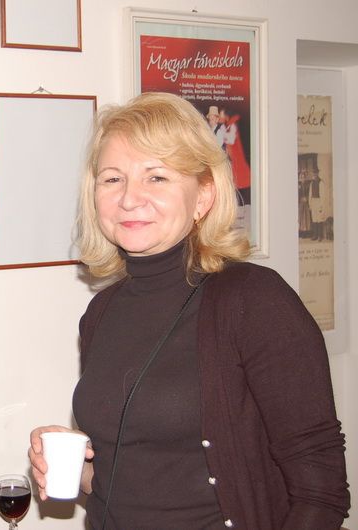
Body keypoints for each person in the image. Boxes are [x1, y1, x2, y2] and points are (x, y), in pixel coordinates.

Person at [28, 92, 349, 529]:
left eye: (157, 177)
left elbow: (321, 493)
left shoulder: (254, 300)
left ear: (203, 196)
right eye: (113, 179)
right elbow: (132, 481)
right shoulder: (101, 312)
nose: (129, 198)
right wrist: (71, 468)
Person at [219, 106, 251, 205]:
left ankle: (244, 203)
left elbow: (231, 139)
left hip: (237, 157)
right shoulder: (229, 125)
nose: (220, 116)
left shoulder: (232, 125)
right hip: (234, 157)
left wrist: (223, 133)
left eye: (221, 114)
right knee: (237, 180)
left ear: (226, 115)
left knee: (240, 179)